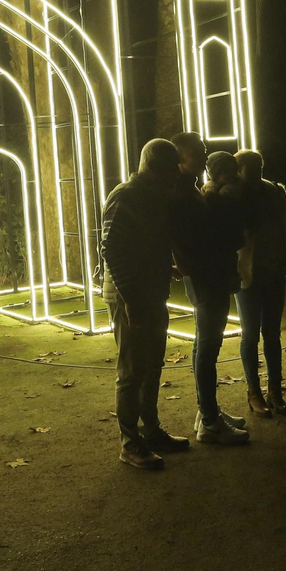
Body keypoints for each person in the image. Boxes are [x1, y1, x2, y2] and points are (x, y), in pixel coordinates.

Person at [100, 138, 190, 470]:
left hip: (150, 294)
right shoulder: (127, 195)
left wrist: (164, 267)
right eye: (170, 166)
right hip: (131, 298)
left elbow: (141, 245)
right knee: (133, 372)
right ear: (152, 166)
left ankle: (149, 431)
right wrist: (132, 301)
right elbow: (112, 249)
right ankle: (131, 443)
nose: (176, 173)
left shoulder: (152, 197)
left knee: (152, 367)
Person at [170, 132, 248, 445]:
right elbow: (202, 237)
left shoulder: (187, 189)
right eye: (199, 152)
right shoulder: (183, 193)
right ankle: (210, 422)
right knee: (208, 345)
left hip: (202, 274)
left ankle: (207, 411)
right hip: (206, 275)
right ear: (181, 158)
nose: (206, 156)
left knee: (204, 343)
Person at [234, 148, 286, 417]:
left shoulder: (275, 191)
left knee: (272, 334)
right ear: (239, 171)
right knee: (250, 335)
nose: (257, 172)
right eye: (251, 168)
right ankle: (254, 392)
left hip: (273, 272)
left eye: (259, 167)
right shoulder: (234, 195)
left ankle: (274, 391)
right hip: (247, 275)